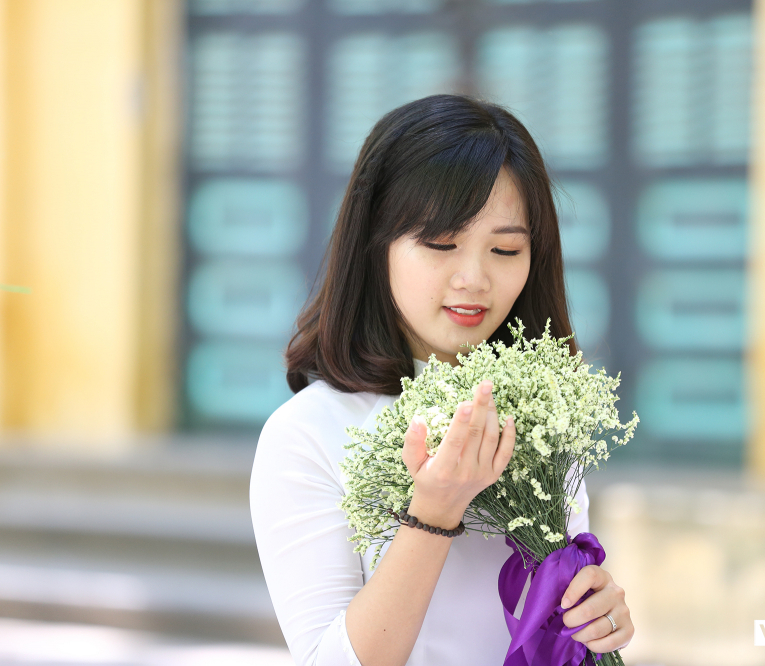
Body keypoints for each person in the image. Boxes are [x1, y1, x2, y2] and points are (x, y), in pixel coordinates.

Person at [250, 94, 634, 666]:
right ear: (375, 244)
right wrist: (432, 514)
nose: (475, 278)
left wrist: (597, 618)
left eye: (505, 249)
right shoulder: (307, 435)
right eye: (440, 244)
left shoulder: (539, 412)